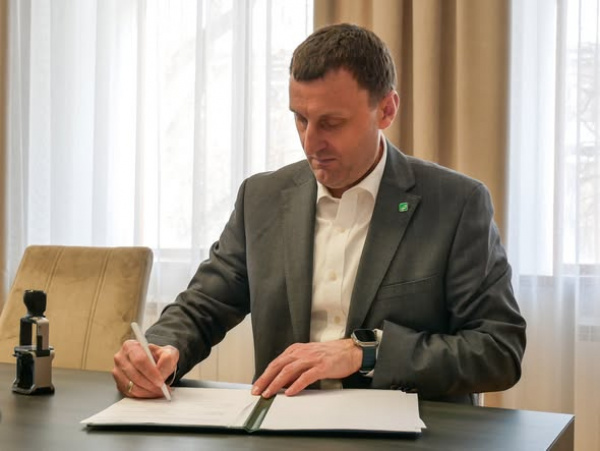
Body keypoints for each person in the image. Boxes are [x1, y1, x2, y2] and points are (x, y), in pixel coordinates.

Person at [112, 23, 526, 404]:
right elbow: (202, 307)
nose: (311, 143)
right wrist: (160, 350)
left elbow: (498, 350)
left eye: (332, 123)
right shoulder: (262, 198)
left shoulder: (456, 204)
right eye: (301, 119)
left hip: (409, 435)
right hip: (283, 430)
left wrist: (364, 352)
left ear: (386, 110)